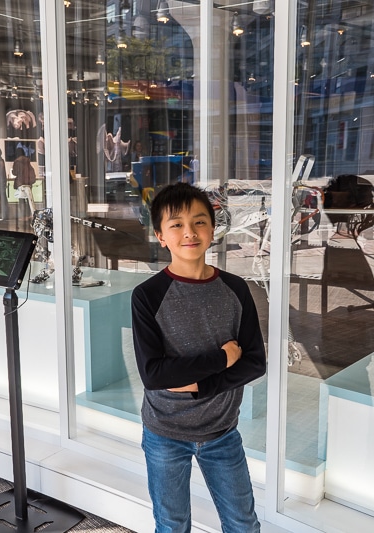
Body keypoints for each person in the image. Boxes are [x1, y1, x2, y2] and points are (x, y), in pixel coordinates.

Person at [131, 182, 266, 533]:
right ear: (161, 235)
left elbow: (255, 362)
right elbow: (154, 374)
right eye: (176, 224)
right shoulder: (147, 295)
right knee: (172, 525)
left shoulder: (236, 289)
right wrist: (222, 359)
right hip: (164, 432)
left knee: (243, 524)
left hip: (222, 432)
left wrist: (199, 386)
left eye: (199, 222)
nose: (189, 232)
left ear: (213, 227)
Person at [11, 147, 37, 217]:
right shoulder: (27, 161)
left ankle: (23, 215)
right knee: (29, 199)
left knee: (21, 200)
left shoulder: (17, 161)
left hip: (20, 183)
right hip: (28, 182)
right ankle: (30, 214)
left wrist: (12, 171)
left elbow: (15, 172)